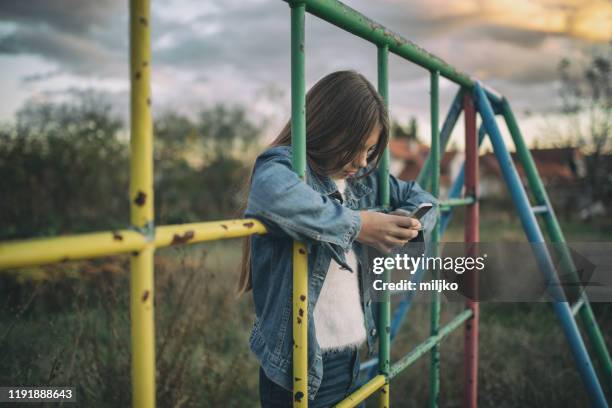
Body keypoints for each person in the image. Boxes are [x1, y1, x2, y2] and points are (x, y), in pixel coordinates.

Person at [237, 70, 437, 407]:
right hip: (295, 366)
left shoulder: (362, 181)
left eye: (370, 151)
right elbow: (272, 195)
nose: (361, 162)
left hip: (350, 357)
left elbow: (424, 198)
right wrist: (360, 225)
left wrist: (407, 224)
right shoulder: (284, 164)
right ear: (325, 128)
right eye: (354, 148)